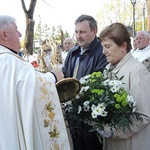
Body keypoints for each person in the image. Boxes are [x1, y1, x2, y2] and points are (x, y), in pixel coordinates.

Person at [0, 15, 72, 150]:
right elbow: (29, 88)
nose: (20, 34)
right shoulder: (8, 61)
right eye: (16, 30)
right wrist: (53, 76)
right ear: (4, 34)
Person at [99, 22, 150, 150]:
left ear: (123, 46)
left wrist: (114, 131)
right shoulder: (107, 69)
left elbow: (143, 116)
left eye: (108, 46)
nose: (103, 51)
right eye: (103, 47)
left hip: (131, 144)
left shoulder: (137, 71)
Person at [62, 14, 108, 150]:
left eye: (82, 32)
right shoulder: (72, 52)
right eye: (76, 32)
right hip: (72, 115)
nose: (78, 36)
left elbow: (98, 82)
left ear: (94, 31)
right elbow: (64, 76)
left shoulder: (102, 53)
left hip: (90, 117)